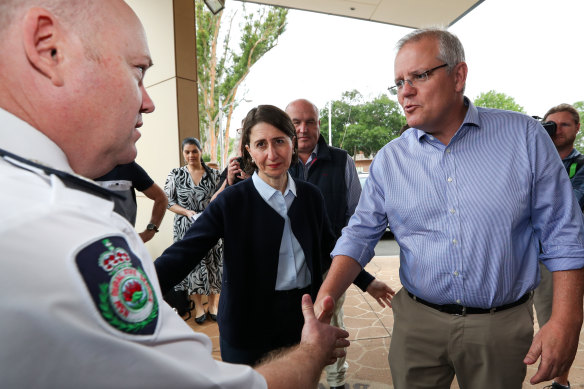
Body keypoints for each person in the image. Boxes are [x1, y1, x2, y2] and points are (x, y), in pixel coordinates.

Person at [0, 1, 349, 387]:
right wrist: (314, 352)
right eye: (138, 71)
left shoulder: (34, 194)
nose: (148, 101)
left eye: (280, 141)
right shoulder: (59, 223)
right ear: (48, 47)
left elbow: (331, 245)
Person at [313, 28, 584, 389]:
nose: (404, 91)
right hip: (417, 324)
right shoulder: (391, 160)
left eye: (418, 76)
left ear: (459, 76)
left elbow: (563, 233)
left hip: (499, 327)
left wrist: (566, 322)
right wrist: (323, 305)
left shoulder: (524, 138)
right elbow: (359, 235)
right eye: (397, 82)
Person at [155, 104, 378, 366]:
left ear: (292, 144)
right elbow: (184, 252)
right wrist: (136, 287)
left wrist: (366, 281)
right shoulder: (231, 201)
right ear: (248, 150)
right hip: (247, 327)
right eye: (261, 144)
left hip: (301, 319)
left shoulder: (310, 197)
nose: (272, 154)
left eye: (279, 141)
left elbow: (329, 246)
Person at [287, 98, 394, 389]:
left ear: (319, 124)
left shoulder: (341, 160)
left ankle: (336, 381)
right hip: (288, 269)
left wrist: (354, 272)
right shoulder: (279, 161)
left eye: (310, 121)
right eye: (296, 122)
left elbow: (356, 217)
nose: (303, 128)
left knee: (332, 326)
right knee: (290, 329)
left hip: (328, 266)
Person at [533, 103, 584, 389]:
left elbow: (568, 205)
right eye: (551, 124)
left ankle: (560, 381)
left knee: (559, 322)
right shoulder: (534, 161)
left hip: (558, 259)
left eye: (565, 124)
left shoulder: (581, 165)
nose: (557, 130)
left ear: (577, 128)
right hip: (526, 252)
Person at [164, 137, 223, 324]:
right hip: (185, 227)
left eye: (194, 151)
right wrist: (186, 212)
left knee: (214, 265)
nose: (191, 155)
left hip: (211, 224)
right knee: (193, 267)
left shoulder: (214, 174)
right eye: (187, 152)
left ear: (200, 151)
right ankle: (198, 306)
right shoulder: (176, 174)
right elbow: (168, 201)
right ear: (183, 153)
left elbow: (223, 197)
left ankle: (213, 304)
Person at [95, 161, 168, 243]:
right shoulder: (79, 170)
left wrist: (150, 231)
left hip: (122, 242)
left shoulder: (127, 167)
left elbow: (161, 198)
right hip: (86, 241)